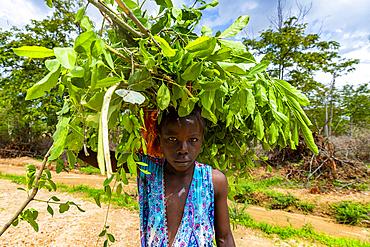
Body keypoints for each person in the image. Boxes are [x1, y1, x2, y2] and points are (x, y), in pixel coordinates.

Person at [79, 106, 235, 246]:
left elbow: (224, 238)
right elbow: (106, 159)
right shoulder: (148, 169)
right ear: (159, 138)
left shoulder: (213, 181)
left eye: (193, 140)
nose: (183, 149)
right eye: (172, 139)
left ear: (202, 139)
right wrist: (74, 141)